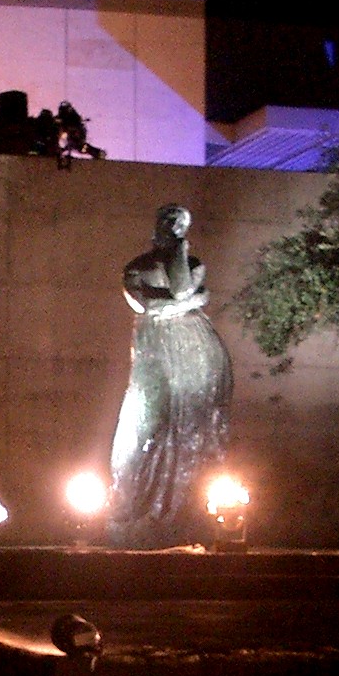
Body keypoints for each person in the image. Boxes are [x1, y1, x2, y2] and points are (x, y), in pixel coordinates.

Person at [106, 204, 232, 548]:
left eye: (182, 224)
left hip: (195, 349)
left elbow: (178, 290)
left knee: (193, 421)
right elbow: (150, 306)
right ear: (158, 223)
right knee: (147, 421)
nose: (175, 227)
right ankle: (140, 505)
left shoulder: (192, 264)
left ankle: (186, 510)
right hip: (155, 350)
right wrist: (193, 301)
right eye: (170, 221)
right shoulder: (135, 268)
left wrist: (181, 253)